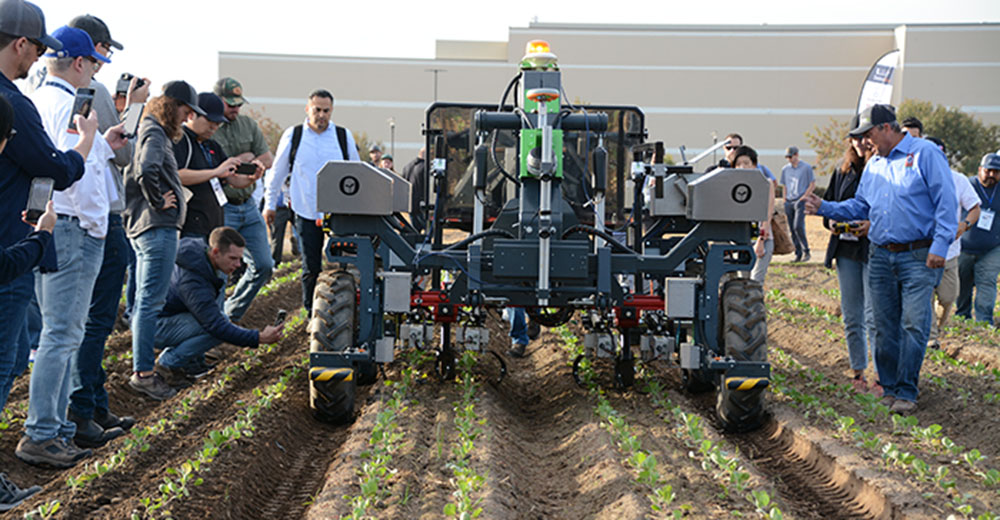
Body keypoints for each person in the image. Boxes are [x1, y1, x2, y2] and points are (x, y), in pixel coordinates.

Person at [19, 25, 129, 468]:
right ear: (80, 62)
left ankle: (57, 428)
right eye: (96, 64)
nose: (97, 73)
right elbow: (71, 173)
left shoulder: (40, 100)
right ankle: (44, 431)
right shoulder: (69, 106)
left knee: (59, 332)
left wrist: (101, 145)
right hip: (72, 227)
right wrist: (93, 225)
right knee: (62, 334)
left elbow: (67, 160)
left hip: (57, 224)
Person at [805, 104, 957, 414]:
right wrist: (824, 206)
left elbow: (946, 203)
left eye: (868, 134)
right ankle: (889, 387)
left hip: (918, 254)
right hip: (879, 255)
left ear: (887, 128)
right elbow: (861, 206)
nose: (864, 142)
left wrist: (940, 246)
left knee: (914, 324)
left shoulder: (925, 154)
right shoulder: (874, 164)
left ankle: (906, 390)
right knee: (883, 326)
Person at [67, 13, 140, 446]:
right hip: (101, 212)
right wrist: (132, 107)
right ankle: (83, 409)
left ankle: (94, 401)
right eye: (105, 49)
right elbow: (123, 153)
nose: (107, 58)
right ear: (90, 50)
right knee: (95, 319)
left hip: (91, 211)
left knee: (90, 320)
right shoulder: (91, 91)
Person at [125, 81, 204, 401]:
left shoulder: (148, 127)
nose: (187, 118)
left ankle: (144, 368)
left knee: (147, 301)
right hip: (157, 226)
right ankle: (144, 372)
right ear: (172, 105)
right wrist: (158, 201)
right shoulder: (155, 131)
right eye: (186, 111)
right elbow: (145, 169)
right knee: (149, 302)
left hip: (151, 226)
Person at [263, 89, 361, 311]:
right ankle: (310, 313)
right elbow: (277, 173)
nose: (322, 115)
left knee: (344, 264)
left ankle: (345, 309)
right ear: (308, 109)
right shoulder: (294, 135)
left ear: (332, 110)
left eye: (326, 110)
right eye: (317, 110)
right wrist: (269, 205)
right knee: (310, 266)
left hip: (339, 212)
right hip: (306, 210)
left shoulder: (343, 137)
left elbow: (356, 173)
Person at [154, 228, 283, 386]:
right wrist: (259, 338)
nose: (238, 265)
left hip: (168, 317)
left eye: (240, 259)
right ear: (215, 252)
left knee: (219, 319)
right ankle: (168, 363)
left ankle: (180, 361)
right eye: (233, 258)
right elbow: (216, 326)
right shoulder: (193, 282)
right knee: (217, 326)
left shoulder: (200, 258)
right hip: (156, 326)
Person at [821, 120, 877, 393]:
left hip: (872, 250)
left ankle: (879, 376)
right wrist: (830, 223)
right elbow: (829, 206)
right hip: (845, 250)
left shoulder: (880, 169)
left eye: (864, 138)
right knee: (853, 316)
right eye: (855, 139)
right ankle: (858, 373)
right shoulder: (842, 171)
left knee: (873, 315)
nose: (860, 143)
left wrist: (871, 226)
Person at [210, 77, 272, 322]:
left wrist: (253, 162)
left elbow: (266, 157)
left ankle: (229, 314)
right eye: (230, 103)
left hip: (248, 206)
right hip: (224, 208)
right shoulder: (211, 127)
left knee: (264, 265)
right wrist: (244, 157)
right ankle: (211, 323)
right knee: (219, 271)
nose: (235, 108)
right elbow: (222, 169)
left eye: (238, 104)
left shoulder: (247, 124)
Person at [923, 137, 980, 345]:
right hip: (923, 250)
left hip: (950, 251)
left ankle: (937, 327)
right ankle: (930, 338)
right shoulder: (916, 178)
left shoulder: (958, 180)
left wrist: (964, 224)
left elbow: (974, 208)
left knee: (948, 298)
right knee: (925, 297)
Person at [175, 92, 240, 241]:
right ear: (191, 115)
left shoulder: (212, 145)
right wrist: (215, 172)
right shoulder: (180, 139)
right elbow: (177, 175)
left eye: (218, 123)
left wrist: (251, 177)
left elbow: (232, 179)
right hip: (190, 225)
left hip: (214, 224)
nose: (214, 127)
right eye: (210, 120)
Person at [956, 153, 1000, 325]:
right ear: (980, 169)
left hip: (992, 248)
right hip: (964, 246)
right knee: (962, 286)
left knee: (987, 282)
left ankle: (984, 321)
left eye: (996, 172)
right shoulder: (967, 184)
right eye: (988, 171)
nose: (991, 175)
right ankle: (961, 318)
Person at [731, 145, 777, 284]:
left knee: (756, 281)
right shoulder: (731, 186)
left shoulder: (765, 184)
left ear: (754, 165)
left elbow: (767, 213)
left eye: (746, 163)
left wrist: (760, 241)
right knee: (742, 282)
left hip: (762, 239)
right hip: (741, 241)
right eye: (738, 164)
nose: (742, 167)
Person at [781, 145, 815, 262]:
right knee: (791, 228)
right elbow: (784, 185)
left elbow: (812, 184)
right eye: (787, 157)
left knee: (798, 226)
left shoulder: (806, 168)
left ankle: (806, 251)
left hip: (800, 200)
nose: (789, 159)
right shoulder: (785, 169)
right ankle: (798, 253)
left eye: (791, 156)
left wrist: (805, 197)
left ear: (797, 155)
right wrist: (784, 199)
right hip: (789, 201)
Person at [268, 177, 299, 265]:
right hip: (279, 207)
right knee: (277, 236)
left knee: (303, 233)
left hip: (295, 206)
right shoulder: (274, 169)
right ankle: (275, 262)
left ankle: (303, 258)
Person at [402, 146, 427, 231]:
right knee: (429, 230)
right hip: (422, 205)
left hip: (410, 205)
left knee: (415, 231)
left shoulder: (407, 167)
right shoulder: (425, 167)